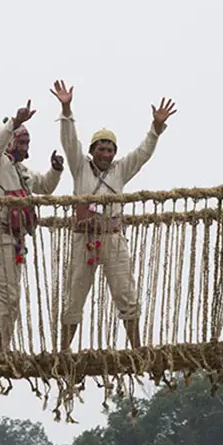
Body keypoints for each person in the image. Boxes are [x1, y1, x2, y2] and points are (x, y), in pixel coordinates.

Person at [50, 80, 177, 351]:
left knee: (125, 293)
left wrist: (155, 128)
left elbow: (143, 154)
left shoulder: (120, 170)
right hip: (84, 238)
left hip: (113, 237)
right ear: (92, 150)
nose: (105, 154)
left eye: (110, 150)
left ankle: (137, 348)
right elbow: (69, 140)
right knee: (74, 295)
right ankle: (62, 351)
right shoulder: (79, 167)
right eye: (101, 149)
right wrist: (66, 108)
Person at [0, 100, 64, 353]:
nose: (24, 147)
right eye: (21, 141)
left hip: (14, 240)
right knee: (6, 299)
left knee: (12, 300)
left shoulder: (21, 170)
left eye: (27, 143)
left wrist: (56, 170)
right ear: (9, 141)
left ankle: (3, 349)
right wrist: (14, 123)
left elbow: (45, 188)